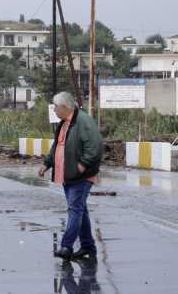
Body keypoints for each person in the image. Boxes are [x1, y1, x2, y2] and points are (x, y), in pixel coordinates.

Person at [38, 92, 102, 261]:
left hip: (81, 176)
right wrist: (47, 164)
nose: (54, 110)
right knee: (81, 211)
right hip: (68, 175)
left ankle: (66, 246)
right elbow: (57, 146)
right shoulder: (64, 124)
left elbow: (95, 147)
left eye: (55, 107)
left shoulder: (83, 121)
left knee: (74, 210)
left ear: (65, 107)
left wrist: (82, 165)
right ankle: (88, 246)